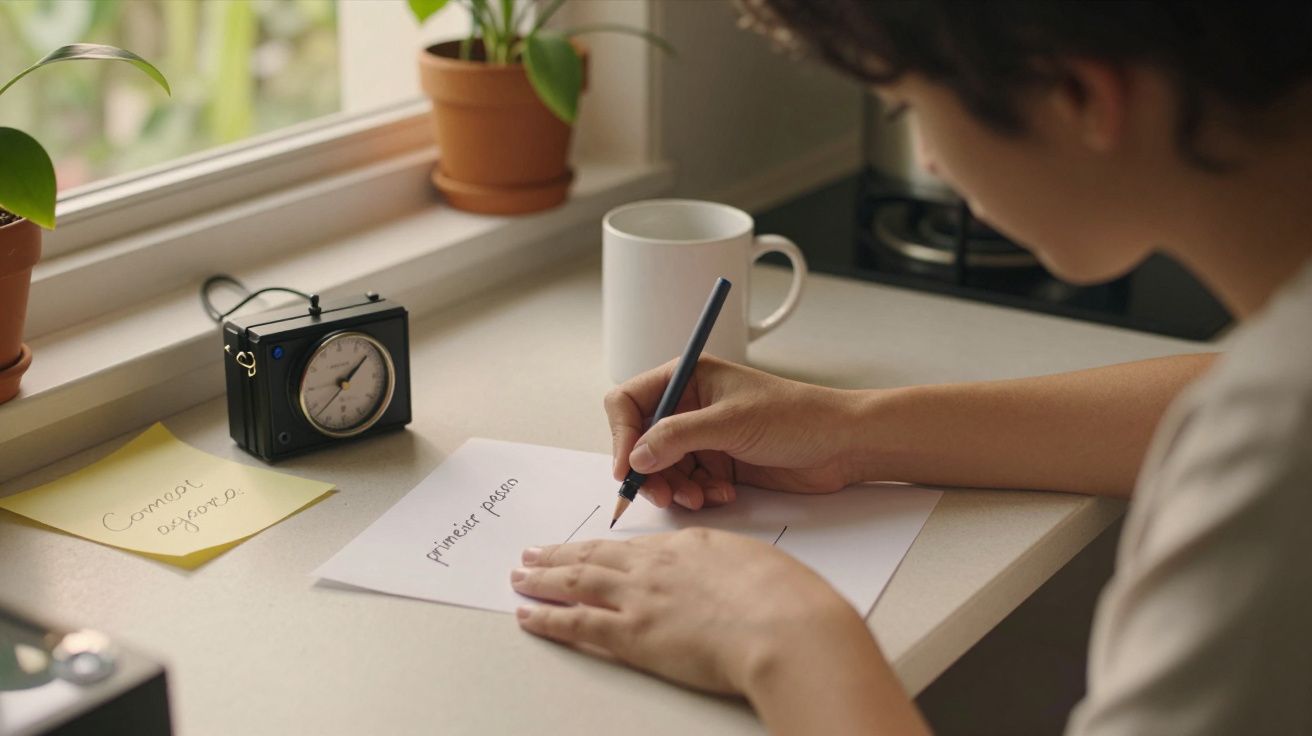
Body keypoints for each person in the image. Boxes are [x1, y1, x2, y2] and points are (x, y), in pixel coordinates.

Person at [510, 1, 1312, 733]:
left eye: (909, 107)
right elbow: (1208, 402)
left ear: (1077, 98)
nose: (927, 153)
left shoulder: (1274, 447)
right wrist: (850, 431)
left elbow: (1260, 425)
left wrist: (787, 638)